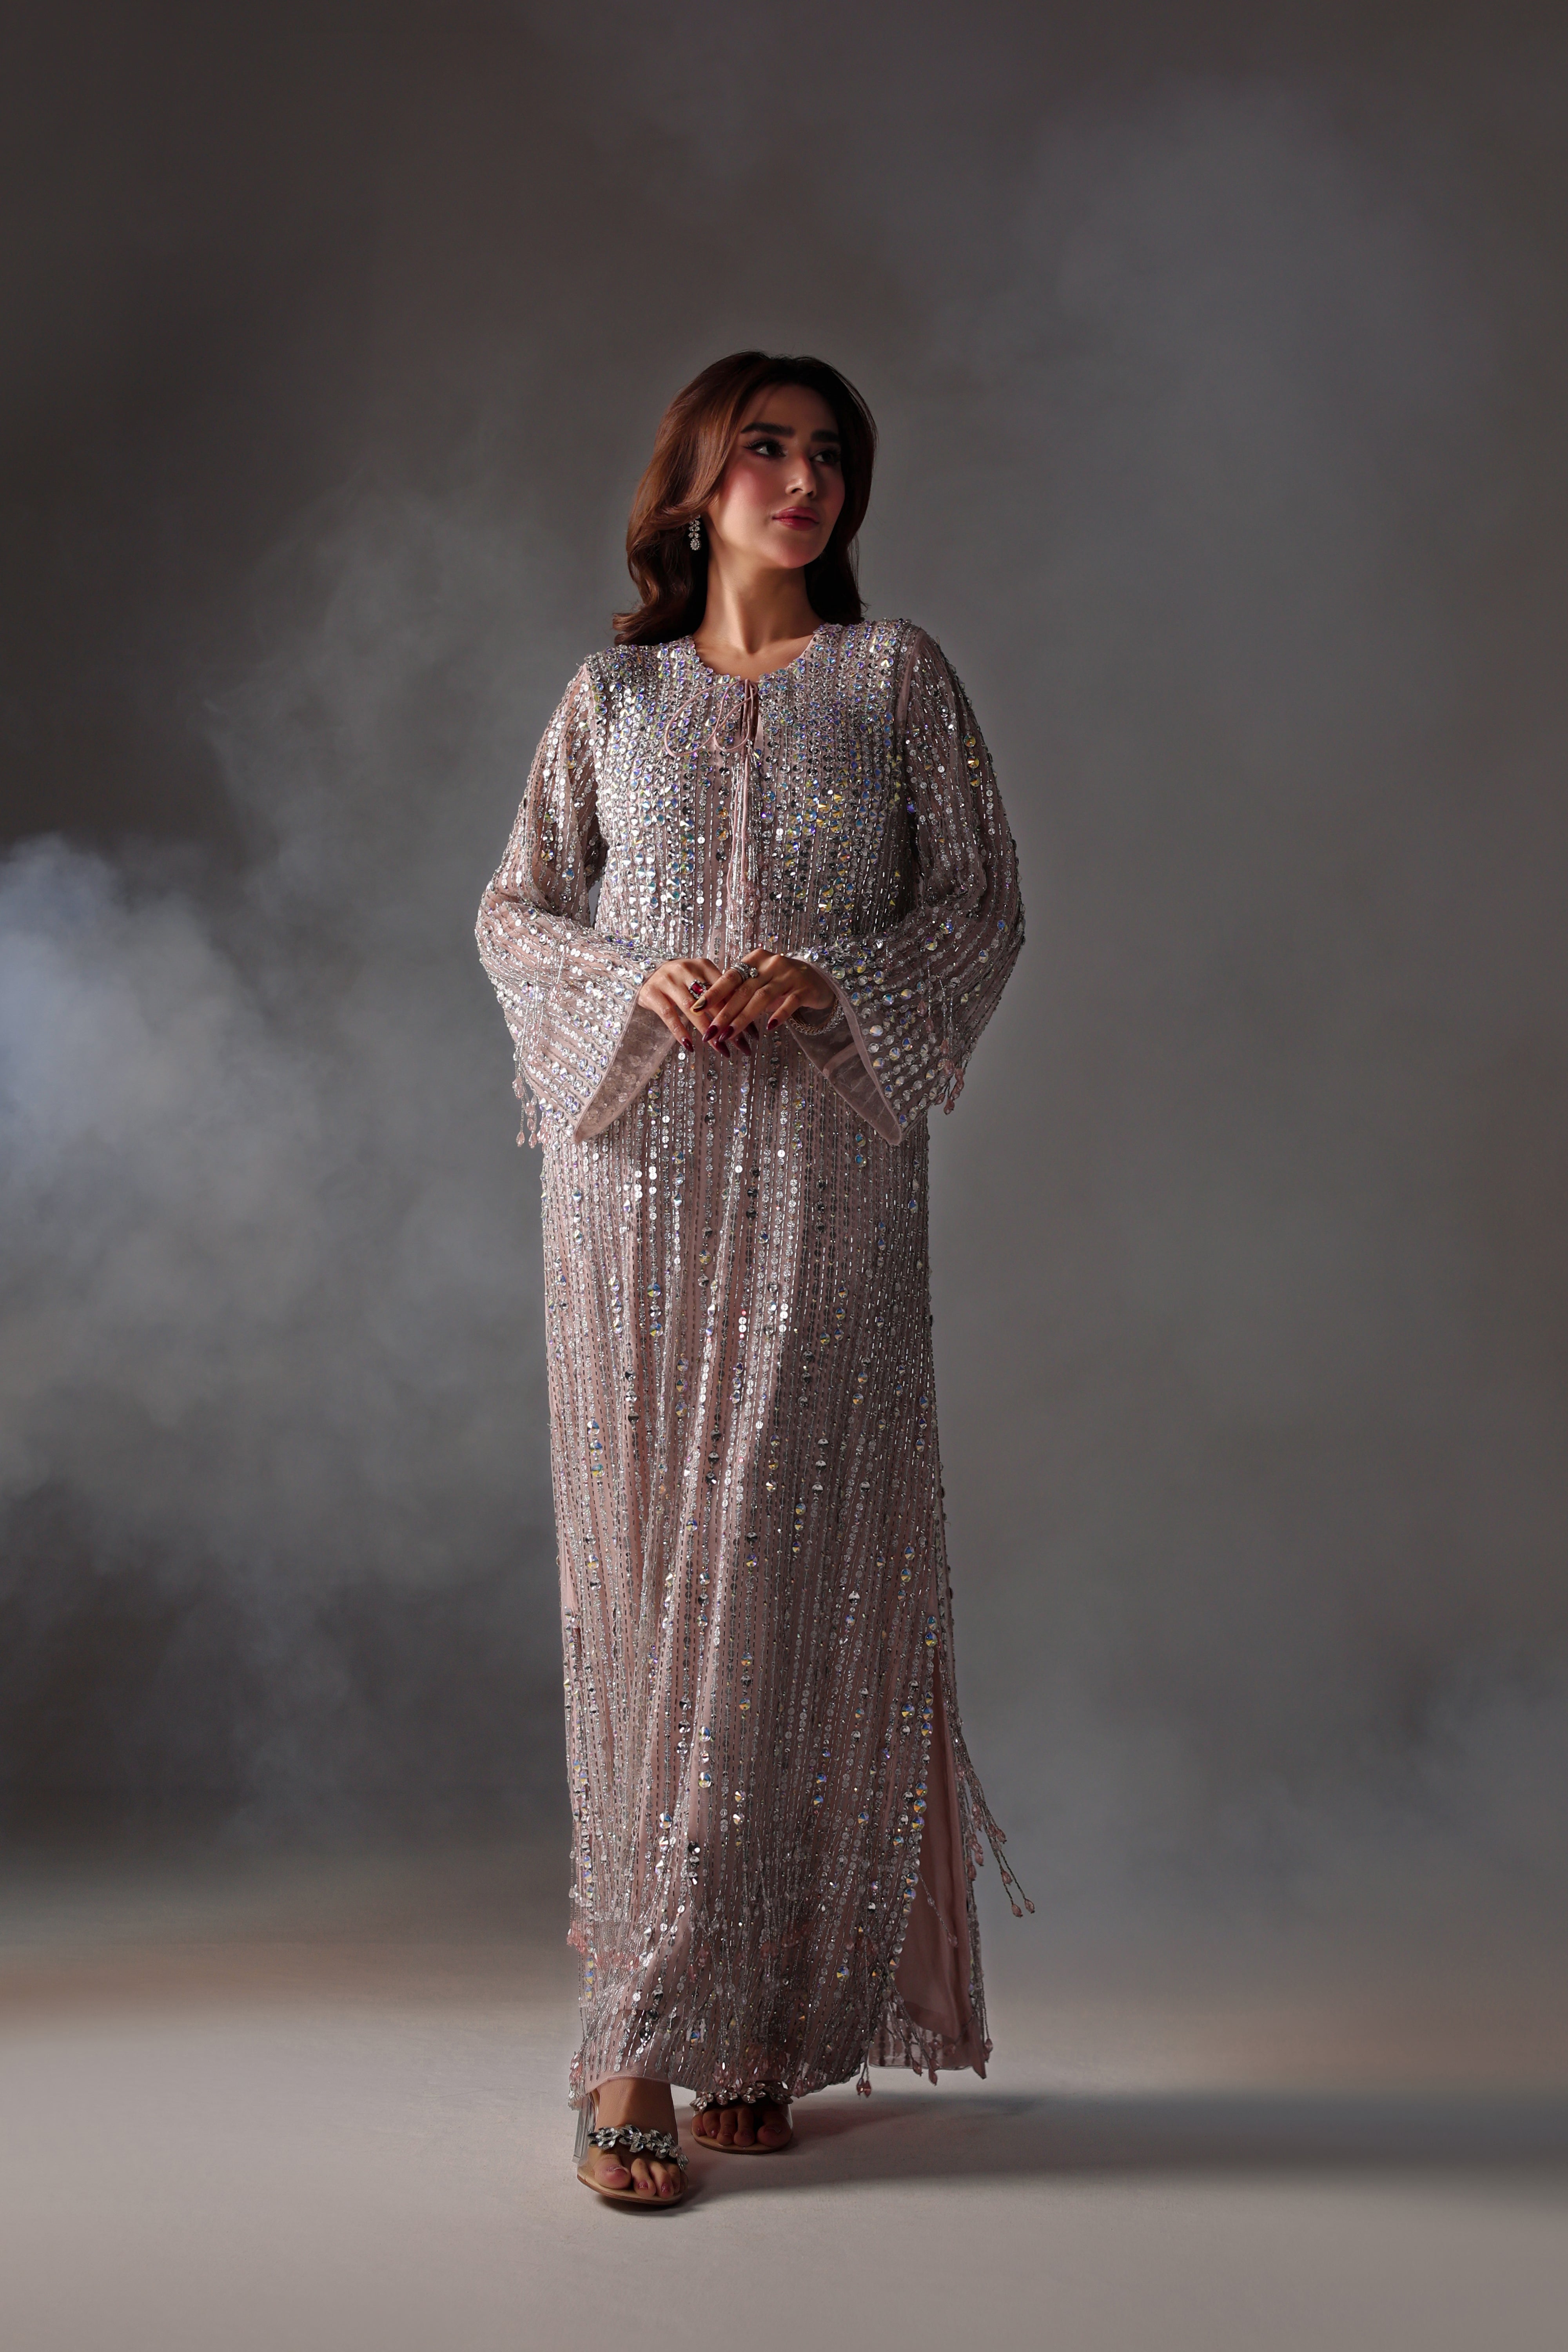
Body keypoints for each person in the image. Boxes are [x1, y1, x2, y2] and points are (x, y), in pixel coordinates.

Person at [477, 350, 1027, 2207]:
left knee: (778, 1569)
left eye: (828, 456)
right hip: (633, 1185)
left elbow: (979, 903)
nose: (802, 480)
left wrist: (823, 979)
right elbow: (513, 910)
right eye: (765, 450)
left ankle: (750, 2020)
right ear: (695, 484)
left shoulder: (894, 682)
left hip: (822, 1169)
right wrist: (634, 983)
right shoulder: (611, 697)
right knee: (647, 1583)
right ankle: (644, 2032)